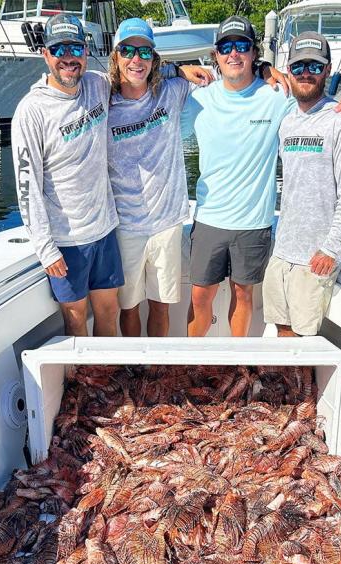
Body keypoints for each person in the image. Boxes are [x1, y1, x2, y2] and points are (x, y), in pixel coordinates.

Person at [185, 16, 341, 337]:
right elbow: (147, 88)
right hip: (209, 218)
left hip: (255, 224)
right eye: (226, 47)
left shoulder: (278, 96)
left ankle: (236, 367)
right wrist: (178, 69)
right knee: (199, 296)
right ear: (216, 55)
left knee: (242, 294)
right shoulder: (199, 97)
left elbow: (314, 100)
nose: (233, 54)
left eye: (242, 47)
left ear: (254, 53)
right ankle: (192, 365)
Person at [12, 13, 121, 337]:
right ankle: (83, 385)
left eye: (75, 48)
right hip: (66, 241)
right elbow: (27, 186)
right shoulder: (31, 111)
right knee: (75, 321)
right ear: (45, 54)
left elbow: (138, 74)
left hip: (104, 231)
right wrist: (45, 249)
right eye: (59, 50)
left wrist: (180, 69)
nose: (68, 57)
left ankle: (109, 381)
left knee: (109, 312)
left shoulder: (98, 85)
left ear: (86, 51)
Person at [105, 18, 208, 337]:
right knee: (129, 306)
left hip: (166, 223)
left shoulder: (172, 91)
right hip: (125, 225)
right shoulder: (103, 103)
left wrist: (266, 70)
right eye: (128, 50)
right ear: (116, 57)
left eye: (145, 52)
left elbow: (233, 75)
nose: (136, 59)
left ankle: (155, 370)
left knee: (161, 306)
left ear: (154, 59)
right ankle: (135, 369)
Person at [262, 33, 341, 337]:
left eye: (315, 67)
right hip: (283, 250)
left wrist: (331, 249)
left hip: (316, 256)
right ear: (289, 71)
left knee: (304, 343)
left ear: (328, 71)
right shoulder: (287, 122)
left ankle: (304, 388)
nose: (306, 73)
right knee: (282, 330)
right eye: (299, 66)